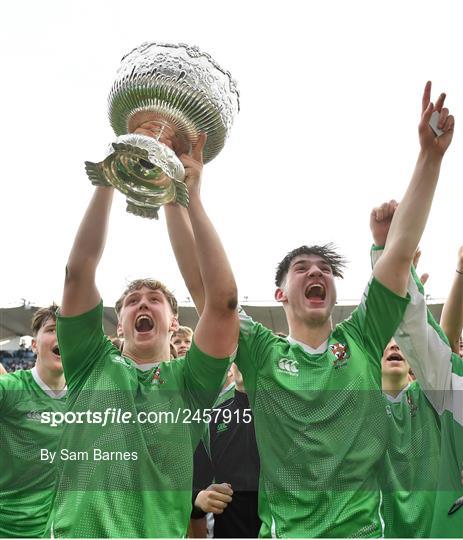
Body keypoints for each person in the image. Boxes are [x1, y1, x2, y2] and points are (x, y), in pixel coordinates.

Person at [165, 81, 453, 536]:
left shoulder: (361, 339)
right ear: (280, 294)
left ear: (335, 293)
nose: (315, 273)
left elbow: (398, 254)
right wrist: (181, 197)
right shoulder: (261, 352)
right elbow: (205, 290)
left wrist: (430, 157)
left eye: (324, 269)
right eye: (301, 268)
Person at [47, 130, 239, 538]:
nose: (143, 304)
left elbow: (222, 304)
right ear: (119, 325)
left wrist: (187, 198)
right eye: (132, 300)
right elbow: (78, 272)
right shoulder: (90, 363)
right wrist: (107, 179)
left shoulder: (191, 381)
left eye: (155, 299)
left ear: (174, 322)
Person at [0, 305, 67, 538]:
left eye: (68, 330)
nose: (61, 336)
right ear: (34, 345)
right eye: (51, 329)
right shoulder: (9, 389)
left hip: (52, 530)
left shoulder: (85, 398)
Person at [192, 363, 261, 538]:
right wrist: (199, 499)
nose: (247, 362)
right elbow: (195, 491)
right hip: (227, 531)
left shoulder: (289, 415)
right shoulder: (213, 419)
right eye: (240, 356)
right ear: (231, 366)